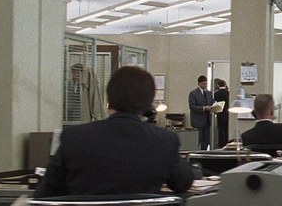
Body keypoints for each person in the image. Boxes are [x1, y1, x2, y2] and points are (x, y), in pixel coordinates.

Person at [36, 66, 194, 197]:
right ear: (148, 104)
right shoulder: (164, 141)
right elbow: (183, 183)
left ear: (109, 97)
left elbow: (45, 195)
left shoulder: (74, 138)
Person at [188, 75, 214, 150]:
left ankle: (204, 153)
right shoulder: (193, 93)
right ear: (199, 83)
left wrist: (214, 107)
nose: (205, 85)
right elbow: (192, 107)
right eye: (203, 84)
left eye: (206, 83)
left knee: (206, 141)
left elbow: (211, 103)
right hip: (198, 121)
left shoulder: (209, 93)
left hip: (207, 121)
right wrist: (204, 108)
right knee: (197, 140)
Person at [213, 79, 229, 148]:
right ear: (225, 85)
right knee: (226, 130)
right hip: (227, 114)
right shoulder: (228, 93)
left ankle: (221, 145)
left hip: (220, 114)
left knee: (220, 131)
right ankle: (226, 144)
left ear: (218, 85)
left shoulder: (216, 94)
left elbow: (214, 104)